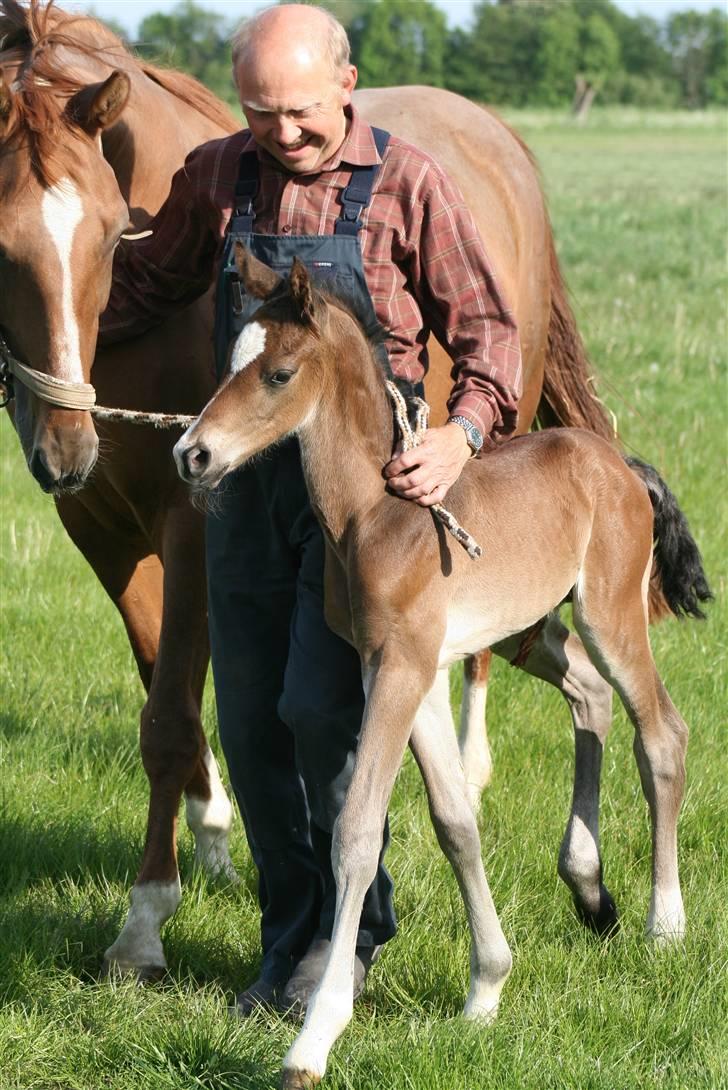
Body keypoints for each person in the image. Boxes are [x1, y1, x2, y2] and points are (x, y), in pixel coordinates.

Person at [101, 3, 521, 1016]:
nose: (281, 132)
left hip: (368, 508)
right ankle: (287, 935)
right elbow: (145, 287)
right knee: (249, 725)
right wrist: (45, 350)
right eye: (260, 112)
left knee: (321, 713)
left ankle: (346, 934)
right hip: (243, 497)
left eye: (298, 111)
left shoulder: (408, 184)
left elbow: (488, 335)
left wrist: (460, 435)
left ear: (346, 84)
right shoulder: (216, 176)